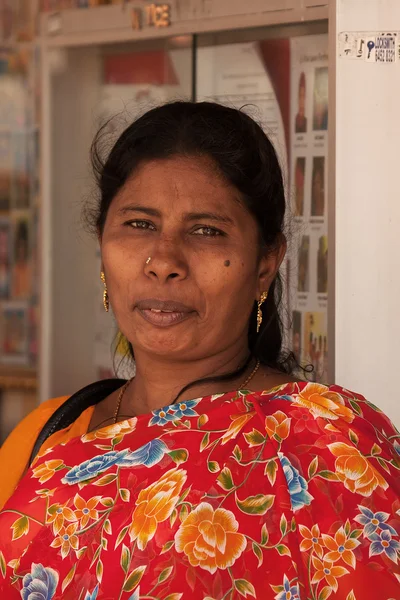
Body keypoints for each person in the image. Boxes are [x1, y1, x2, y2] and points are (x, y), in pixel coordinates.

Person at [0, 102, 398, 599]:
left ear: (265, 263)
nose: (163, 261)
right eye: (139, 224)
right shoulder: (47, 435)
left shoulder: (327, 447)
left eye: (206, 231)